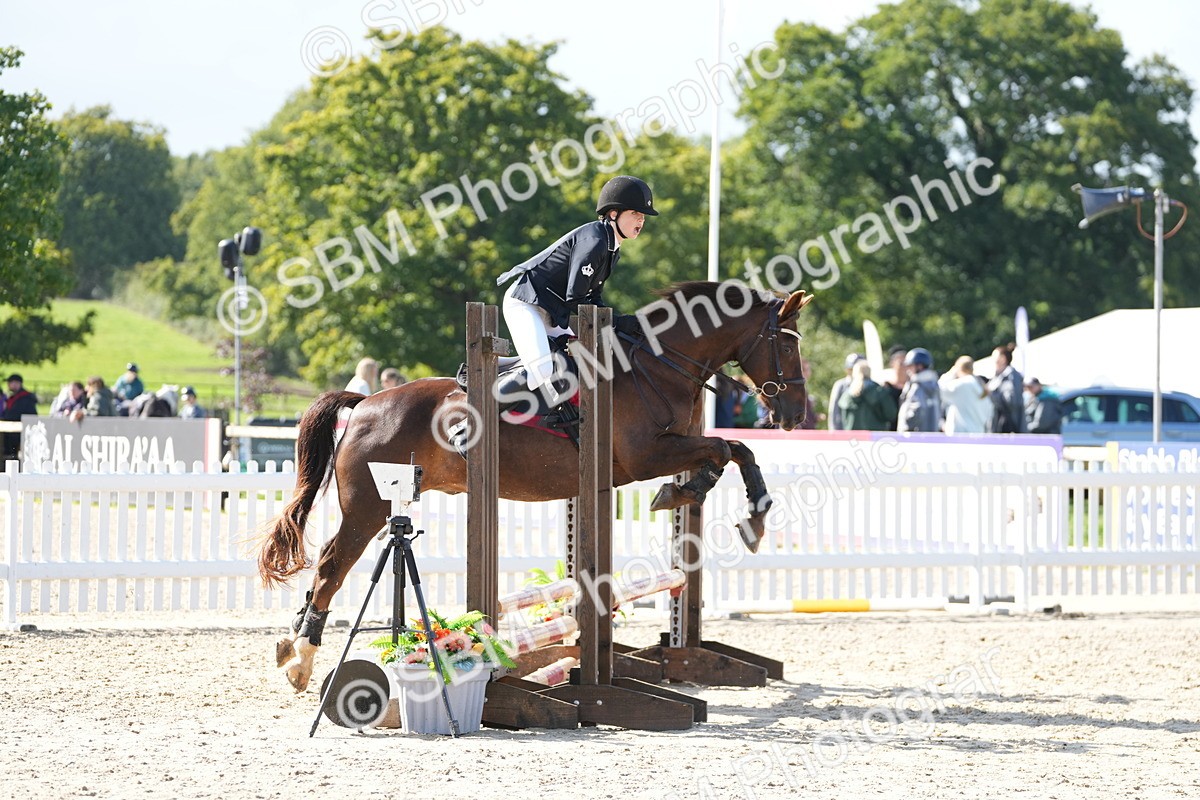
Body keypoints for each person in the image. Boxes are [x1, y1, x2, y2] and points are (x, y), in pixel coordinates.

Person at [494, 175, 655, 421]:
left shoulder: (611, 247)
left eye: (643, 216)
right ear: (613, 214)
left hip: (550, 312)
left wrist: (618, 323)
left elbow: (594, 298)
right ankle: (476, 414)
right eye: (636, 213)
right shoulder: (595, 242)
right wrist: (619, 322)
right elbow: (575, 297)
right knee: (541, 370)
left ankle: (558, 422)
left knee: (583, 363)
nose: (641, 220)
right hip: (526, 303)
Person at [939, 356, 993, 434]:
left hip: (961, 434)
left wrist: (951, 373)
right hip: (978, 432)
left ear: (958, 369)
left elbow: (940, 388)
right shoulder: (980, 385)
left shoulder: (961, 385)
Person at [838, 361, 897, 431]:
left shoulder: (847, 394)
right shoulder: (879, 391)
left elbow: (841, 418)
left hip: (853, 436)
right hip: (875, 435)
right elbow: (891, 414)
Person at [897, 348, 942, 433]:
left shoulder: (917, 386)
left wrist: (905, 427)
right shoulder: (934, 385)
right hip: (932, 433)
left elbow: (916, 411)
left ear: (919, 366)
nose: (908, 370)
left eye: (910, 366)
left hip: (914, 435)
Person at [988, 344, 1026, 433]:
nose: (993, 360)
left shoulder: (1011, 376)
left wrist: (992, 394)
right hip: (997, 426)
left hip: (1009, 427)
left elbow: (1013, 401)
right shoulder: (997, 377)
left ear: (1003, 359)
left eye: (995, 357)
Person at [3, 373, 38, 458]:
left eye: (10, 383)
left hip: (20, 429)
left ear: (17, 383)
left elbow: (16, 413)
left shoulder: (26, 398)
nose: (9, 385)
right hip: (10, 429)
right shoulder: (13, 397)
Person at [828, 353, 864, 431]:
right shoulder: (840, 385)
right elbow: (834, 410)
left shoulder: (868, 386)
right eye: (850, 369)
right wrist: (835, 430)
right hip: (844, 431)